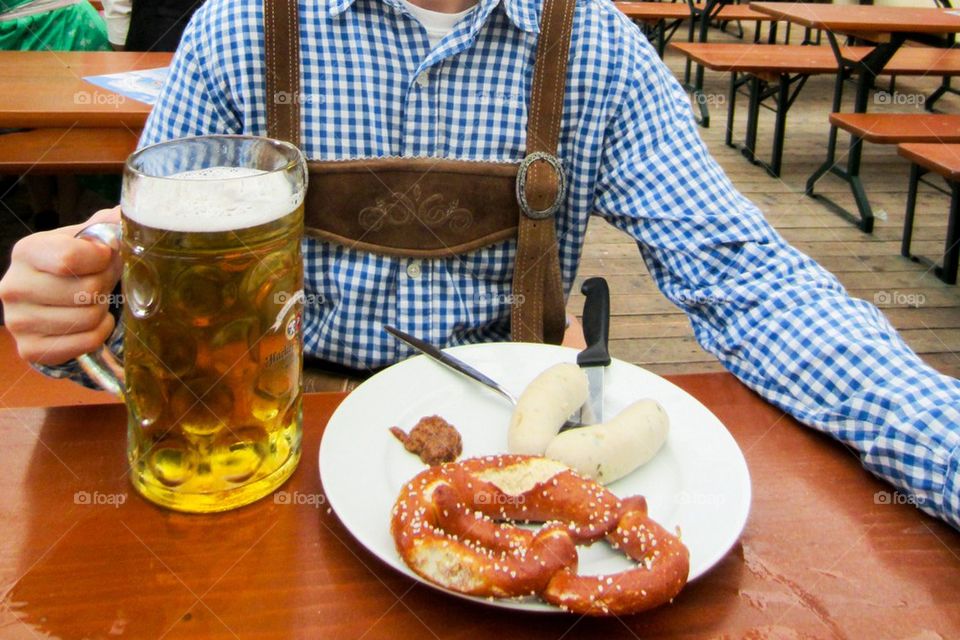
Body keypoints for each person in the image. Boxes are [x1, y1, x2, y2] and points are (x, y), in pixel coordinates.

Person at [1, 0, 958, 532]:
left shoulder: (596, 48)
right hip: (272, 484)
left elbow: (749, 279)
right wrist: (75, 309)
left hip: (519, 478)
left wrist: (942, 447)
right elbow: (147, 296)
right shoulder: (236, 31)